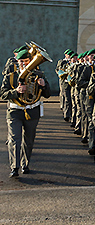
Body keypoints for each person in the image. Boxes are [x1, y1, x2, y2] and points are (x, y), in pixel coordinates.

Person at [1, 49, 51, 177]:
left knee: (28, 140)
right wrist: (16, 91)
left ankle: (25, 164)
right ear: (17, 62)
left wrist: (43, 85)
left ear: (31, 61)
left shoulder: (38, 75)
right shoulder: (10, 76)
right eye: (21, 61)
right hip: (15, 112)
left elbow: (47, 95)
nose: (24, 64)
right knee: (14, 139)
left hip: (32, 111)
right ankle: (14, 167)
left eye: (26, 61)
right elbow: (3, 94)